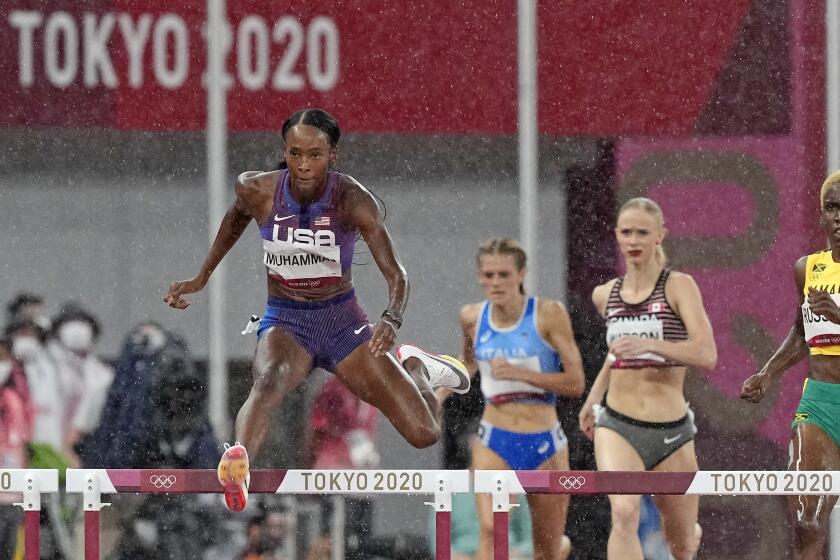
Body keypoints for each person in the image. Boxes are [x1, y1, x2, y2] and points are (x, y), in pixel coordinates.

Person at [164, 108, 470, 512]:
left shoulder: (352, 200)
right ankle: (238, 461)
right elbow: (236, 218)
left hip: (342, 323)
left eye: (315, 155)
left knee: (424, 433)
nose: (304, 165)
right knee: (269, 380)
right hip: (286, 320)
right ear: (284, 152)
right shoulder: (258, 189)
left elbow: (397, 274)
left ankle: (415, 367)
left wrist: (391, 318)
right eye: (295, 154)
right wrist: (202, 275)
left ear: (333, 155)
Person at [578, 197, 717, 560]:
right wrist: (594, 397)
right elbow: (616, 352)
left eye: (643, 232)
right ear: (617, 237)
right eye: (627, 232)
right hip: (618, 424)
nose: (634, 240)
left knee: (682, 543)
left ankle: (689, 535)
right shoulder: (604, 294)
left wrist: (650, 344)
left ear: (660, 236)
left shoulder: (678, 286)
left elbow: (706, 354)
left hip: (670, 429)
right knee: (624, 513)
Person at [447, 238, 585, 560]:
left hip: (545, 441)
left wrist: (521, 374)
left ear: (521, 274)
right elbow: (467, 363)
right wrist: (437, 390)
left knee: (546, 549)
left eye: (504, 275)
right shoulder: (471, 317)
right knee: (492, 535)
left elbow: (576, 382)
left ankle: (558, 549)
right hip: (494, 438)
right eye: (488, 275)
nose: (495, 283)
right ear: (480, 276)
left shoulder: (549, 315)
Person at [741, 169, 840, 559]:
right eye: (832, 208)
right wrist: (768, 372)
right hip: (819, 403)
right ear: (821, 215)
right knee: (806, 522)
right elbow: (802, 333)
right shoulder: (807, 269)